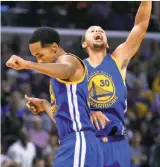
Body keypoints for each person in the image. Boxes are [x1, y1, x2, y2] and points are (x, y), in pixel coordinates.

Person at [6, 27, 104, 167]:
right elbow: (64, 119)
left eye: (40, 55)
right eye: (35, 57)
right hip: (72, 141)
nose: (39, 61)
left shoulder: (68, 59)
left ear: (54, 47)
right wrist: (46, 105)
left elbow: (66, 70)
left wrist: (27, 64)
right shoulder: (57, 77)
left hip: (79, 140)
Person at [81, 1, 152, 166]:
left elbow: (140, 26)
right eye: (92, 31)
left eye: (101, 31)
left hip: (117, 142)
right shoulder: (77, 67)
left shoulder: (117, 60)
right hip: (90, 142)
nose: (98, 31)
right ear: (84, 43)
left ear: (106, 42)